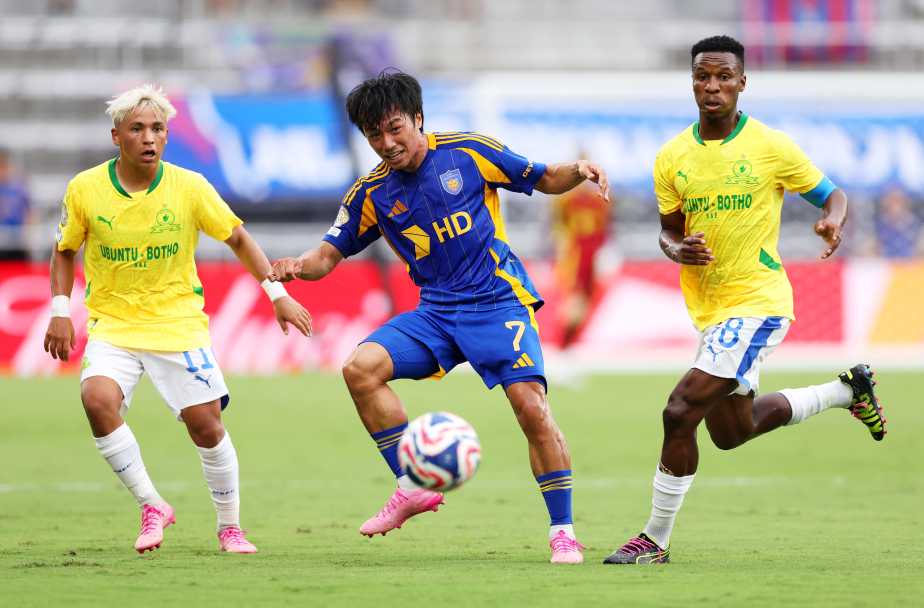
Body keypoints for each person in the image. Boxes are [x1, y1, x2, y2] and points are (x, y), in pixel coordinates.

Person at [271, 71, 610, 564]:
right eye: (374, 135)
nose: (387, 143)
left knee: (531, 408)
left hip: (497, 301)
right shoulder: (370, 194)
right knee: (360, 369)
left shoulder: (468, 152)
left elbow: (542, 177)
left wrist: (578, 169)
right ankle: (411, 485)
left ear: (418, 118)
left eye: (395, 128)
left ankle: (563, 531)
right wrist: (297, 267)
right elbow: (327, 256)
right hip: (436, 313)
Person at [603, 36, 886, 565]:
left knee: (679, 410)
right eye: (702, 77)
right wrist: (677, 248)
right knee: (733, 431)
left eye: (723, 77)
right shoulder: (671, 157)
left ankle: (654, 541)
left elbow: (833, 193)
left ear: (742, 83)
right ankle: (847, 391)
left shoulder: (770, 146)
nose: (712, 87)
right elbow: (668, 230)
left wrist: (832, 220)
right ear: (692, 83)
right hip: (710, 310)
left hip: (758, 301)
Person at [43, 84, 312, 555]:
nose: (149, 137)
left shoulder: (190, 187)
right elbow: (64, 249)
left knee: (205, 426)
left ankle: (230, 528)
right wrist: (61, 310)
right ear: (116, 136)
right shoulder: (85, 188)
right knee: (96, 400)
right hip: (113, 323)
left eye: (158, 128)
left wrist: (277, 293)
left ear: (167, 135)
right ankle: (152, 505)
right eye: (137, 129)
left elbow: (238, 239)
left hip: (177, 323)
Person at [551, 173, 611, 347]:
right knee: (574, 299)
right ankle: (563, 342)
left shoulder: (599, 200)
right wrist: (560, 248)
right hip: (576, 254)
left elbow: (605, 228)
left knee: (585, 300)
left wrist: (606, 251)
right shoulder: (566, 200)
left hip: (592, 255)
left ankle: (568, 341)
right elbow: (559, 227)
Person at [0, 149, 31, 260]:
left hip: (16, 242)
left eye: (3, 167)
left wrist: (27, 237)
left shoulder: (18, 189)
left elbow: (29, 212)